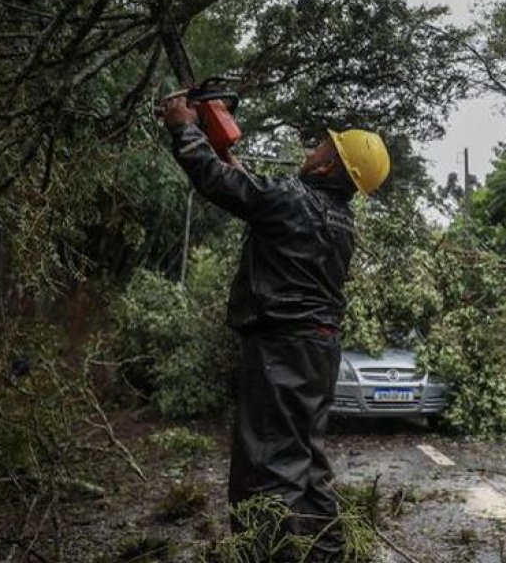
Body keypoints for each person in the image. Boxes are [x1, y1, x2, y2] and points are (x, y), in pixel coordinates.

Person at [160, 95, 390, 559]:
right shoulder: (341, 221)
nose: (311, 151)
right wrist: (219, 140)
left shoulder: (292, 200)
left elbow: (222, 185)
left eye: (321, 149)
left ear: (328, 168)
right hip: (318, 350)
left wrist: (184, 128)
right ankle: (327, 556)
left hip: (280, 348)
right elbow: (250, 191)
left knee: (267, 472)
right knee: (306, 465)